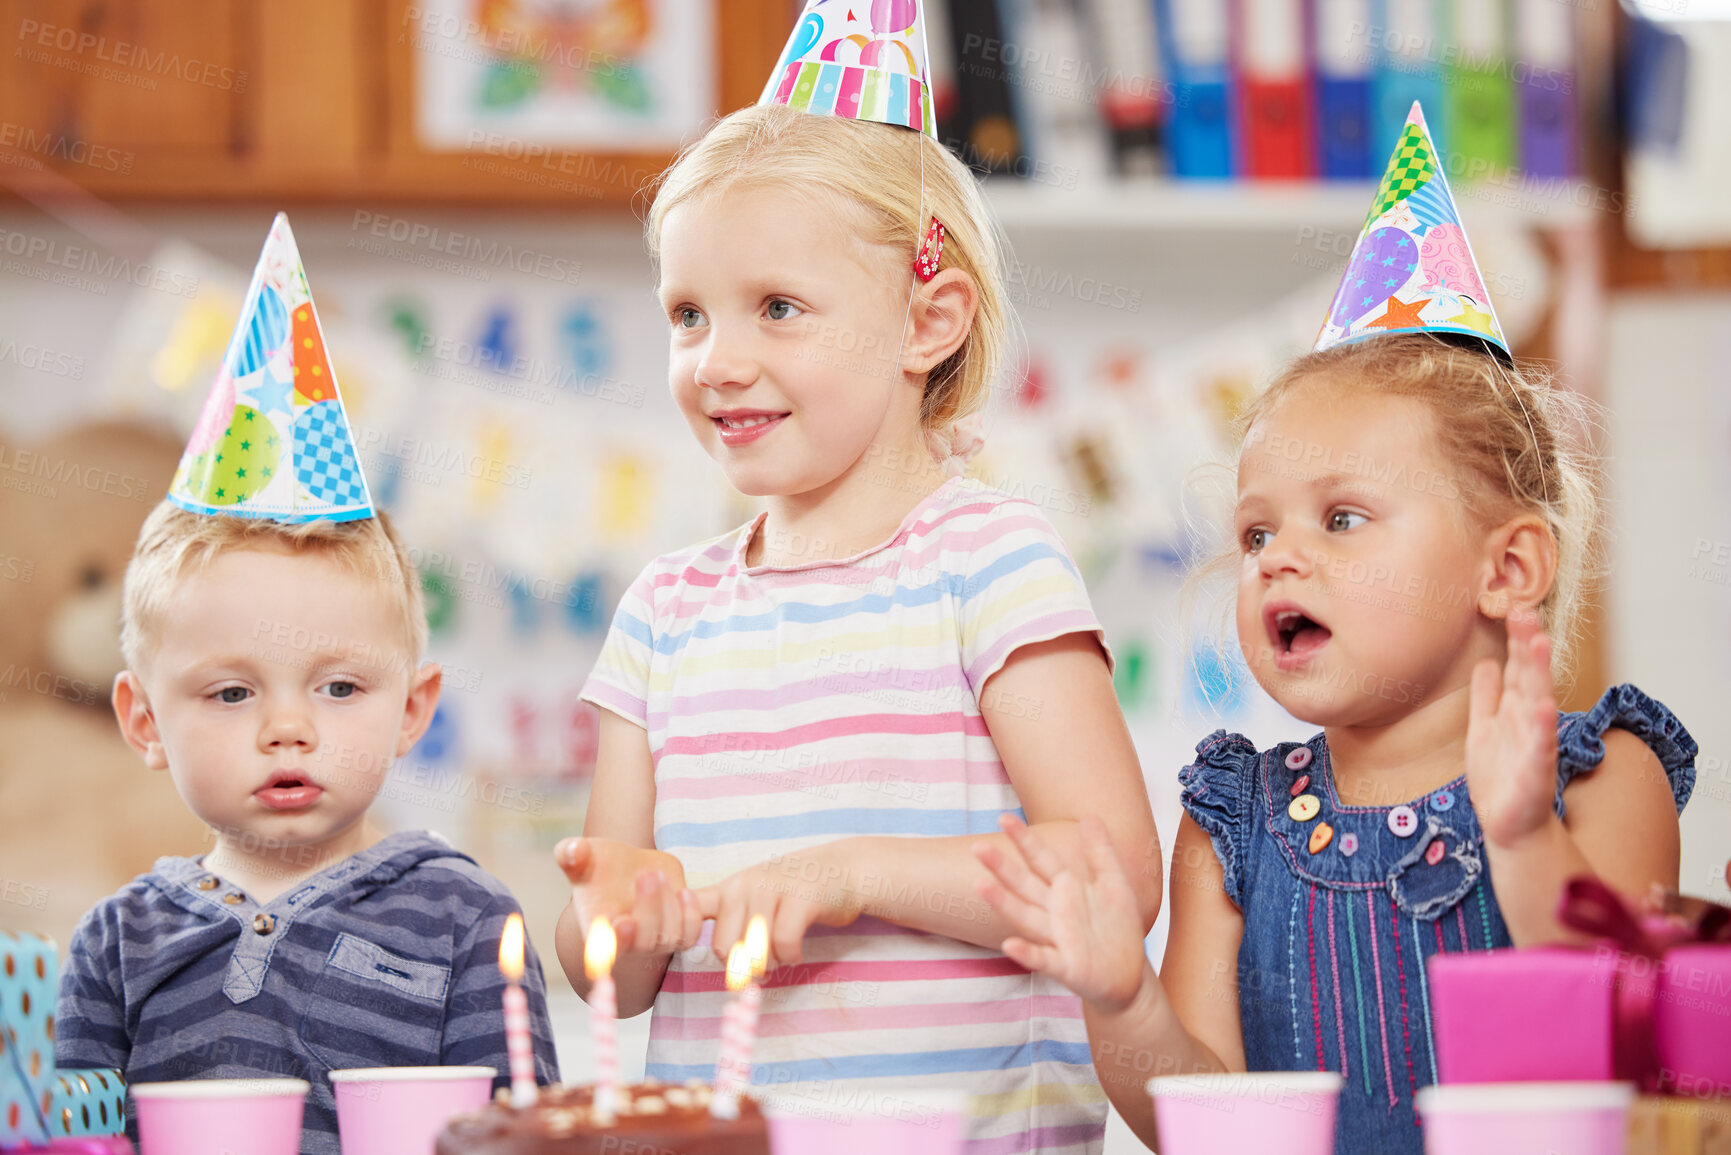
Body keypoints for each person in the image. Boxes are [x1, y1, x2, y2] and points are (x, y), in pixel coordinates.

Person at [973, 105, 1695, 1155]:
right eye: (1256, 530)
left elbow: (1623, 1047)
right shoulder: (1233, 823)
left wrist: (1523, 837)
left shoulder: (1599, 777)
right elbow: (1197, 1121)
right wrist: (1122, 998)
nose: (1276, 557)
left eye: (1343, 517)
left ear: (1508, 567)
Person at [551, 5, 1158, 1150]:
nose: (718, 362)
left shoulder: (989, 565)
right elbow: (616, 983)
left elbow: (1112, 878)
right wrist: (614, 918)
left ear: (928, 320)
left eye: (777, 308)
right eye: (688, 315)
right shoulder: (662, 616)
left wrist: (854, 873)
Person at [55, 215, 558, 1155]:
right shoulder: (113, 945)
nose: (288, 728)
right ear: (143, 717)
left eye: (337, 688)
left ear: (412, 708)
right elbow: (73, 1143)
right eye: (231, 693)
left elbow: (528, 1136)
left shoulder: (469, 923)